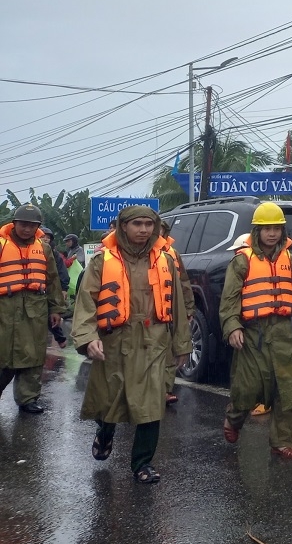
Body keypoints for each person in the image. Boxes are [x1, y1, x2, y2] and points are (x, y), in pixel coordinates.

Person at [71, 205, 192, 483]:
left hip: (155, 341)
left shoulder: (165, 260)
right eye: (137, 224)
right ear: (123, 226)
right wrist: (88, 337)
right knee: (111, 399)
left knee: (152, 403)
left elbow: (177, 306)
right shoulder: (102, 261)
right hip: (115, 341)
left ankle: (142, 463)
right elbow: (86, 302)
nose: (144, 230)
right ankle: (105, 431)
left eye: (149, 224)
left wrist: (182, 345)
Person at [220, 202, 292, 459]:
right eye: (266, 228)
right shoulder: (242, 261)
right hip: (254, 333)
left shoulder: (291, 261)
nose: (272, 233)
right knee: (248, 387)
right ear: (257, 231)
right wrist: (232, 326)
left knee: (289, 389)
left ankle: (283, 441)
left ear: (282, 230)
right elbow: (229, 299)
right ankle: (234, 419)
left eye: (276, 228)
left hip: (288, 333)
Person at [0, 204, 69, 413]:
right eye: (23, 224)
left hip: (35, 306)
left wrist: (56, 309)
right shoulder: (1, 244)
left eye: (32, 225)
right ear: (14, 223)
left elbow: (52, 280)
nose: (27, 229)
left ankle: (28, 399)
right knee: (3, 354)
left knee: (34, 354)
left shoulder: (44, 248)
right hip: (4, 306)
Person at [159, 218, 196, 405]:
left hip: (173, 308)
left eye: (160, 230)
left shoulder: (172, 254)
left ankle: (166, 389)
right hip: (151, 311)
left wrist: (188, 307)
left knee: (171, 349)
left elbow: (184, 282)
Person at [39, 227, 71, 349]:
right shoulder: (33, 251)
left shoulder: (55, 255)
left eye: (48, 237)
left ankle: (60, 338)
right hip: (36, 289)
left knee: (52, 314)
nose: (45, 239)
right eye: (43, 236)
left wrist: (63, 289)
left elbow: (61, 273)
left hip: (51, 289)